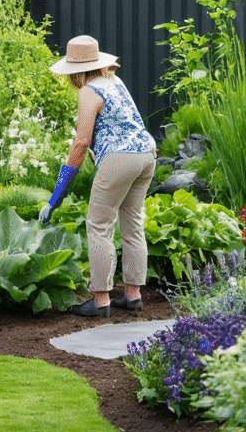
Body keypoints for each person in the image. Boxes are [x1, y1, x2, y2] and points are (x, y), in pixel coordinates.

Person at [38, 35, 157, 317]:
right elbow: (122, 123)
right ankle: (133, 296)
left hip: (121, 158)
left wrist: (56, 196)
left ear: (75, 71)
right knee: (133, 224)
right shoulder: (116, 81)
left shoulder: (88, 91)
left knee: (99, 224)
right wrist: (99, 151)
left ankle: (101, 299)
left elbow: (80, 142)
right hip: (147, 154)